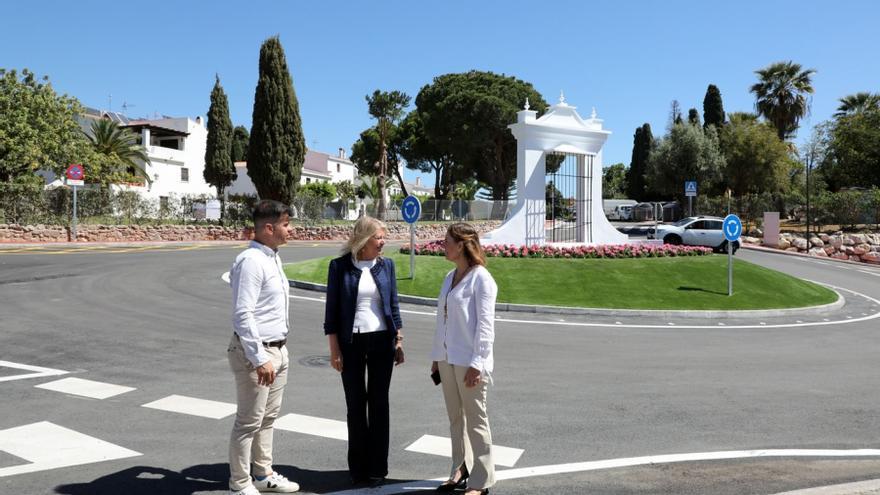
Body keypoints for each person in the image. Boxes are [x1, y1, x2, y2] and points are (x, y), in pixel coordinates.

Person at [323, 215, 405, 486]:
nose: (383, 242)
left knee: (380, 404)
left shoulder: (387, 266)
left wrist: (399, 340)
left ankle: (377, 468)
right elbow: (332, 314)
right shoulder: (339, 267)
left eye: (384, 237)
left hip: (382, 341)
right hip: (351, 343)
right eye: (379, 237)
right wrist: (335, 350)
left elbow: (393, 305)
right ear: (364, 238)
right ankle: (358, 468)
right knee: (355, 405)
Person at [227, 199, 299, 495]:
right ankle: (240, 483)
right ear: (268, 228)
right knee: (248, 422)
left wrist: (276, 354)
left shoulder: (272, 256)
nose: (290, 229)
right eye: (286, 224)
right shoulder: (251, 261)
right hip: (256, 352)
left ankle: (262, 473)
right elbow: (243, 314)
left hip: (277, 349)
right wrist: (259, 357)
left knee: (267, 418)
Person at [430, 223, 497, 495]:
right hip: (447, 359)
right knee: (455, 418)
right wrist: (436, 357)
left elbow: (485, 326)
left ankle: (481, 480)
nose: (442, 245)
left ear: (461, 245)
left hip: (470, 361)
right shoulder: (449, 277)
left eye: (446, 241)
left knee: (476, 419)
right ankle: (460, 469)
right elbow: (441, 321)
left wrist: (478, 363)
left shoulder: (482, 279)